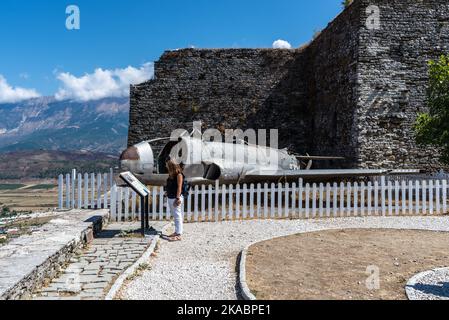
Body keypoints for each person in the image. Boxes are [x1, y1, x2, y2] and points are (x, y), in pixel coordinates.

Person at [165, 158, 184, 241]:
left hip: (176, 198)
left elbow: (179, 187)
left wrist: (177, 198)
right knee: (175, 215)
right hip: (170, 197)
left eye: (168, 166)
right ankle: (176, 232)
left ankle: (179, 234)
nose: (167, 167)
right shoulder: (171, 175)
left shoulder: (179, 175)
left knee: (177, 215)